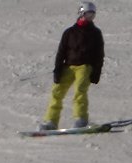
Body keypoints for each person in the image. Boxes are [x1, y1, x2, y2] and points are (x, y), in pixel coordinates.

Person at [40, 2, 104, 131]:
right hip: (68, 66)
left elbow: (99, 54)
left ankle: (81, 119)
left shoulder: (95, 33)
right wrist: (58, 70)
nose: (90, 18)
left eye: (93, 15)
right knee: (57, 92)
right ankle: (51, 121)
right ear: (81, 13)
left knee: (80, 90)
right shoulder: (70, 32)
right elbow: (61, 52)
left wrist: (96, 72)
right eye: (88, 14)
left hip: (85, 67)